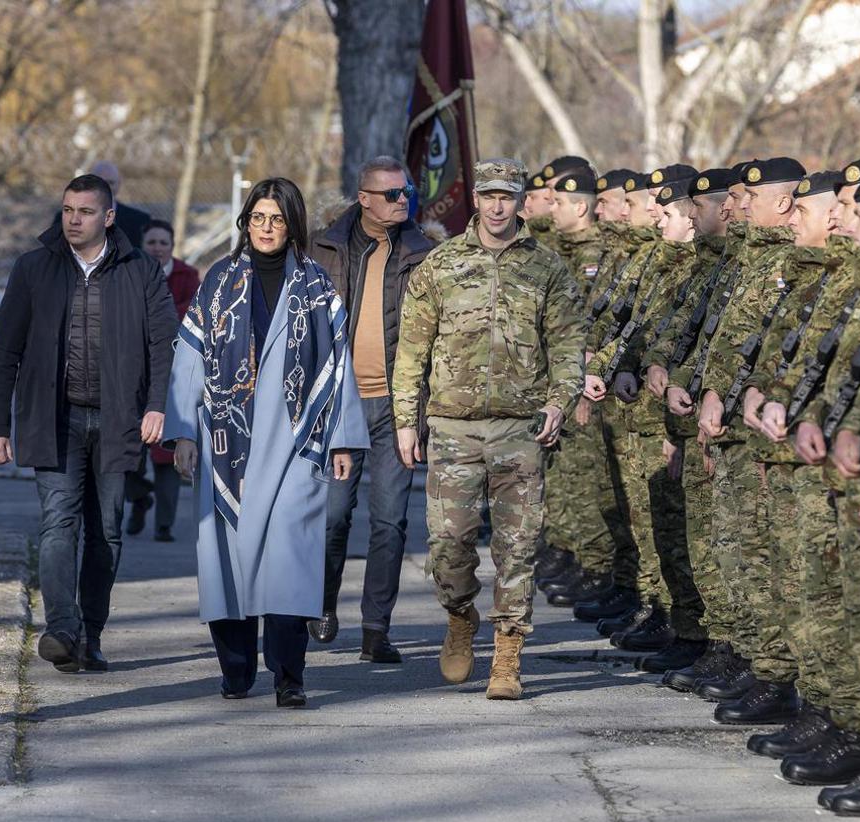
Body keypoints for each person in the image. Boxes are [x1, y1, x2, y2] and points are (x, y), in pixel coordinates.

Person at [163, 177, 369, 708]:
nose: (267, 228)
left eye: (277, 219)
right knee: (227, 563)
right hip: (227, 447)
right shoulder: (218, 282)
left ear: (292, 225)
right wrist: (183, 431)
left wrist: (343, 440)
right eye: (258, 217)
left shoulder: (317, 287)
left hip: (297, 447)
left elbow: (338, 366)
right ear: (245, 221)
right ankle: (235, 670)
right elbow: (189, 358)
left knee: (289, 564)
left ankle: (288, 675)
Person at [391, 158, 585, 701]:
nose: (498, 206)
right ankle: (459, 616)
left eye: (508, 196)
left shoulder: (546, 268)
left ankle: (507, 654)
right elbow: (411, 349)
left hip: (521, 428)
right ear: (475, 199)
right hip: (453, 427)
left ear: (521, 201)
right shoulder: (442, 264)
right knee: (448, 546)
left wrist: (559, 402)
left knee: (518, 548)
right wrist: (406, 420)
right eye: (490, 196)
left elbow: (570, 344)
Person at [0, 173, 176, 674]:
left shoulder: (142, 271)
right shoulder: (35, 268)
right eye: (68, 209)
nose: (74, 219)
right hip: (55, 418)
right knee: (58, 522)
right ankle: (61, 628)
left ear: (108, 217)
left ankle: (91, 633)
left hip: (119, 419)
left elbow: (163, 346)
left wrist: (158, 407)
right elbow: (5, 349)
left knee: (107, 531)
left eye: (85, 211)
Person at [308, 155, 436, 662]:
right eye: (391, 194)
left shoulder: (424, 253)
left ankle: (375, 629)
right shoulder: (324, 248)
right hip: (339, 402)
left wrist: (423, 410)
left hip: (398, 406)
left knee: (391, 521)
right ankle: (320, 604)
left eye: (405, 192)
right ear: (363, 199)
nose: (402, 200)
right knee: (334, 514)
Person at [127, 218, 201, 542]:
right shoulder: (130, 271)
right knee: (126, 452)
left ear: (172, 247)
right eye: (151, 243)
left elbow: (193, 314)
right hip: (132, 370)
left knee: (165, 451)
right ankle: (139, 497)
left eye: (163, 243)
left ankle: (164, 524)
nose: (157, 248)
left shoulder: (187, 276)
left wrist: (159, 314)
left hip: (175, 370)